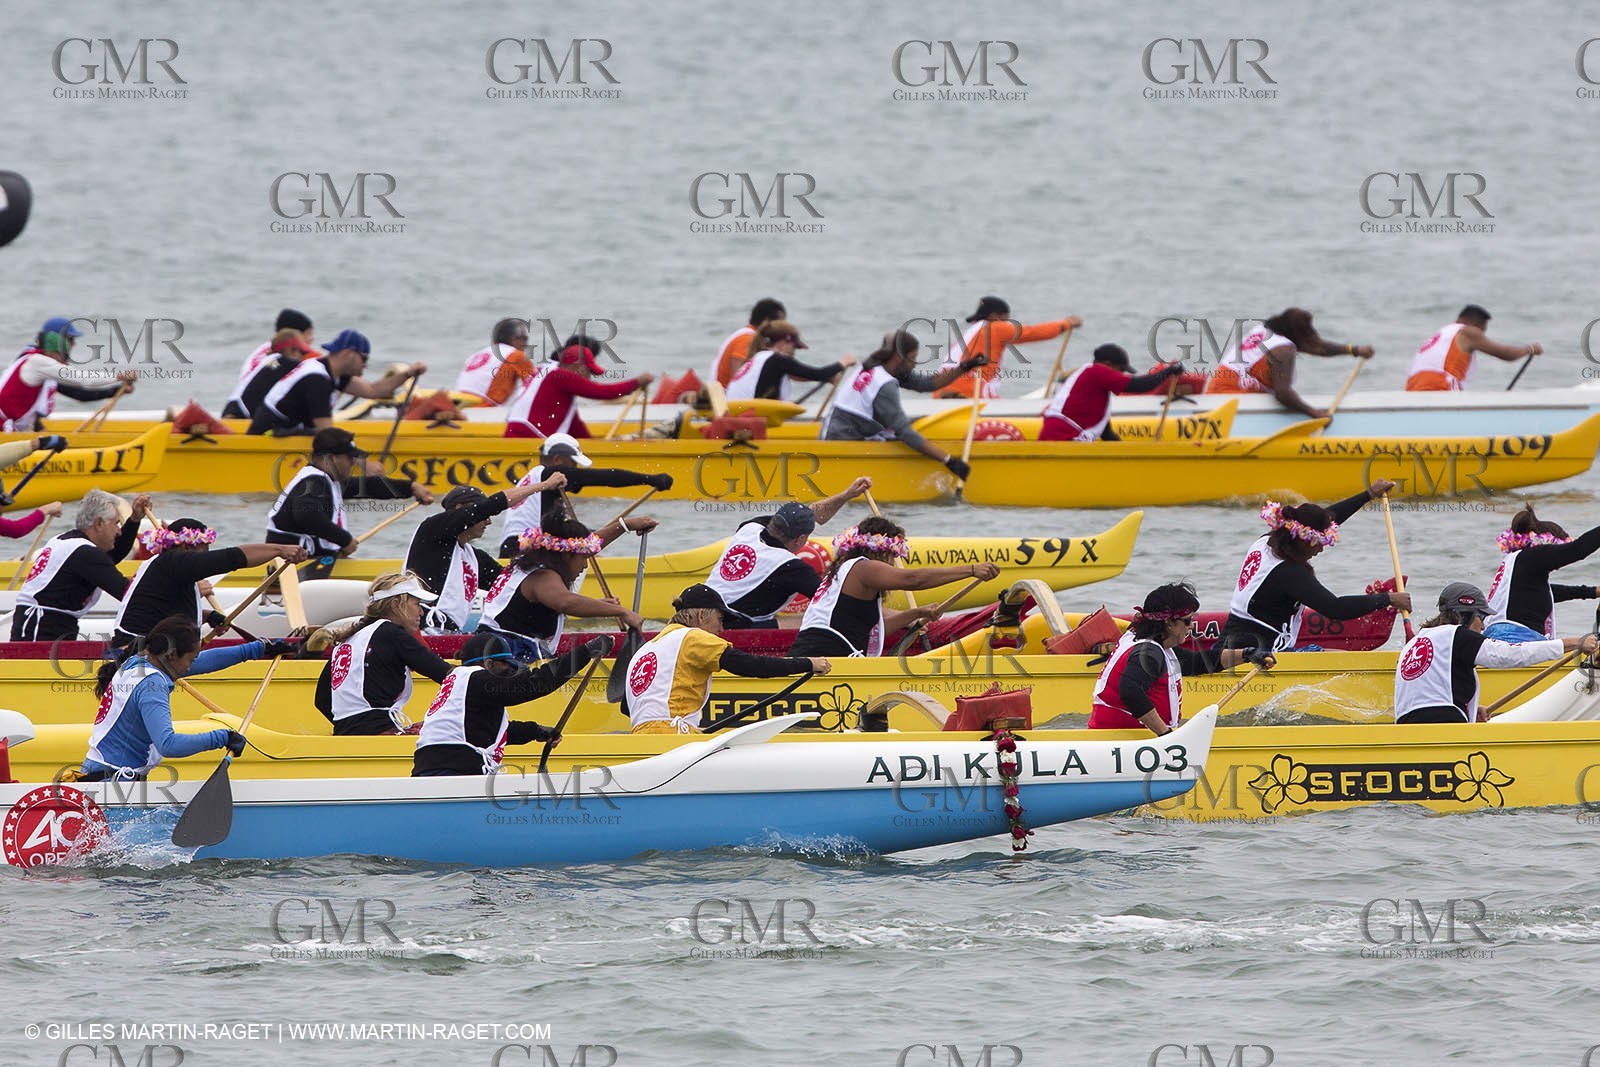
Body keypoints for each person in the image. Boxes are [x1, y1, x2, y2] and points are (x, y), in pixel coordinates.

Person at [78, 617, 295, 781]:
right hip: (114, 782)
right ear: (172, 654)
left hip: (99, 772)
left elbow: (208, 661)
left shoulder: (137, 661)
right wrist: (223, 737)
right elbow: (168, 745)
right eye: (190, 659)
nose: (191, 666)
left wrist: (259, 648)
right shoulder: (152, 686)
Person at [1218, 482, 1412, 653]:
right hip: (1258, 656)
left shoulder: (1268, 541)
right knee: (1344, 664)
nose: (1322, 548)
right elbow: (1336, 608)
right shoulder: (1289, 573)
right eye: (1320, 541)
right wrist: (1387, 599)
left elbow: (1329, 516)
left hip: (1228, 646)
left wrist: (1369, 494)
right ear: (1304, 539)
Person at [624, 584, 829, 734]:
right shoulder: (692, 637)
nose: (722, 629)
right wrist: (808, 663)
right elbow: (751, 665)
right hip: (670, 736)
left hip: (641, 737)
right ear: (701, 615)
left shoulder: (646, 649)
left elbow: (627, 707)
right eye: (720, 619)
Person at [789, 518, 1002, 657]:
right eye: (892, 555)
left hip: (818, 655)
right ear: (880, 550)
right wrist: (971, 569)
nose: (892, 563)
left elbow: (872, 631)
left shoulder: (840, 573)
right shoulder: (864, 568)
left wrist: (916, 614)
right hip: (823, 659)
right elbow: (914, 580)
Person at [412, 631, 613, 776]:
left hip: (433, 768)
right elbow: (535, 684)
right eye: (506, 666)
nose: (510, 672)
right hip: (452, 771)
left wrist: (536, 731)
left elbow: (484, 729)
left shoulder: (461, 683)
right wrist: (585, 652)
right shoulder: (477, 678)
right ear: (488, 664)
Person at [1394, 583, 1598, 724]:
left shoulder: (1416, 642)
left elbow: (1427, 693)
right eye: (1481, 617)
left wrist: (1472, 710)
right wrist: (1572, 643)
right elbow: (1508, 655)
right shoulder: (1457, 635)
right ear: (1463, 615)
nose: (1483, 626)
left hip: (1406, 726)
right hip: (1441, 724)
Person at [1088, 583, 1275, 735]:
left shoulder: (1149, 643)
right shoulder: (1149, 653)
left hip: (1120, 739)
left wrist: (1248, 654)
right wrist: (1166, 735)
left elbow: (1196, 662)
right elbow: (1130, 691)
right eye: (1187, 620)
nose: (1191, 626)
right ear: (1169, 623)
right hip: (1121, 744)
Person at [403, 474, 567, 634]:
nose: (489, 521)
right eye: (484, 515)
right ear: (460, 510)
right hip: (420, 628)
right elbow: (494, 504)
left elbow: (510, 585)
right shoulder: (431, 531)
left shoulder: (475, 558)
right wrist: (544, 485)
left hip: (449, 632)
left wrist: (547, 554)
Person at [480, 512, 654, 661]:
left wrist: (625, 526)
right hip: (506, 657)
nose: (585, 566)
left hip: (491, 647)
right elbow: (567, 602)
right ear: (565, 556)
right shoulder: (542, 576)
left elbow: (587, 545)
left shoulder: (528, 564)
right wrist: (622, 612)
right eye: (583, 558)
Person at [111, 520, 308, 647]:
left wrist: (206, 616)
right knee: (245, 652)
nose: (207, 556)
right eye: (204, 551)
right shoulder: (174, 562)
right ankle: (256, 649)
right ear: (186, 547)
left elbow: (161, 611)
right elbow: (232, 558)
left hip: (146, 651)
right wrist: (280, 550)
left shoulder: (165, 568)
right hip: (137, 658)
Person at [705, 478, 871, 628]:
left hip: (699, 607)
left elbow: (811, 514)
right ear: (800, 539)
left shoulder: (750, 527)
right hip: (726, 627)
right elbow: (835, 602)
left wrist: (847, 495)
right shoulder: (791, 567)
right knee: (813, 618)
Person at [822, 330, 985, 480]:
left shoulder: (877, 367)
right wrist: (948, 461)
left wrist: (965, 367)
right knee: (907, 432)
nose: (915, 363)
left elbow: (928, 384)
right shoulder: (884, 385)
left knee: (915, 424)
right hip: (844, 444)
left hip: (839, 432)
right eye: (913, 357)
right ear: (899, 357)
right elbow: (904, 432)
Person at [316, 572, 455, 735]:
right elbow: (443, 673)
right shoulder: (391, 633)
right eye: (417, 604)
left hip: (344, 733)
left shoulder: (347, 641)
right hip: (379, 732)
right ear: (396, 604)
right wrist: (476, 679)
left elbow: (322, 700)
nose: (421, 612)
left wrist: (353, 727)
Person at [265, 427, 433, 561]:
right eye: (349, 458)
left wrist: (411, 487)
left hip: (309, 562)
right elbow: (307, 516)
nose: (353, 463)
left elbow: (369, 486)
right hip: (287, 567)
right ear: (331, 458)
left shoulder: (327, 480)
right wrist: (345, 540)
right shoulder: (313, 482)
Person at [497, 433, 670, 557]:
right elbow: (604, 477)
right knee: (589, 547)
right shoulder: (549, 474)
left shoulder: (534, 479)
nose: (576, 470)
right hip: (522, 550)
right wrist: (649, 479)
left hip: (512, 548)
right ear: (557, 460)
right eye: (573, 464)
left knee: (589, 541)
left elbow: (558, 530)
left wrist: (594, 534)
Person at [13, 489, 148, 641]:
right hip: (40, 627)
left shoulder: (67, 541)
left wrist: (134, 520)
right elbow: (127, 594)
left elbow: (112, 556)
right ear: (99, 523)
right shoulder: (84, 552)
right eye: (116, 524)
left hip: (50, 624)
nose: (119, 531)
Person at [1203, 308, 1373, 419]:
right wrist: (1314, 413)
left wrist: (1353, 350)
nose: (1310, 341)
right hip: (1231, 406)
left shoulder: (1264, 331)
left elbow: (1318, 347)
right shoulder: (1283, 350)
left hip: (1215, 396)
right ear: (1297, 335)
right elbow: (1283, 393)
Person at [248, 329, 425, 434]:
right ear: (349, 354)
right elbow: (327, 433)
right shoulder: (316, 378)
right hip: (267, 439)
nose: (365, 365)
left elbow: (373, 390)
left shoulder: (331, 372)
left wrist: (408, 373)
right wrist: (362, 462)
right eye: (364, 358)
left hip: (281, 433)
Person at [1483, 505, 1600, 642]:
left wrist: (1593, 592)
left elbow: (1544, 593)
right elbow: (1577, 550)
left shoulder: (1516, 561)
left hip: (1496, 638)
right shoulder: (1536, 554)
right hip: (1515, 638)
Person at [1, 317, 136, 431]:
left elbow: (79, 394)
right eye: (71, 340)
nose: (74, 345)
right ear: (56, 342)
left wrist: (117, 390)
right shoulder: (37, 363)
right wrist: (120, 376)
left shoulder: (44, 368)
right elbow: (83, 379)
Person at [504, 337, 655, 438]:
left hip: (517, 433)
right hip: (527, 436)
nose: (589, 378)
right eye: (589, 372)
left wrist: (592, 446)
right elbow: (603, 392)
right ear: (578, 367)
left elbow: (575, 426)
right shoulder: (561, 376)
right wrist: (636, 382)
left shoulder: (546, 372)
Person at [932, 296, 1080, 400]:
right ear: (996, 316)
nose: (1008, 323)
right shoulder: (995, 327)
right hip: (965, 394)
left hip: (941, 392)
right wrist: (1066, 324)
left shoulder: (972, 332)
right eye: (1007, 318)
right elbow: (1032, 332)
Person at [1040, 344, 1187, 441]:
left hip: (1060, 437)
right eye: (1121, 370)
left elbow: (1106, 433)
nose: (1122, 374)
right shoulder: (1097, 371)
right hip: (1062, 438)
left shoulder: (1091, 383)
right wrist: (1167, 372)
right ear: (1108, 365)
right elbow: (1139, 386)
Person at [1406, 305, 1542, 391]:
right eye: (1483, 330)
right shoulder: (1468, 332)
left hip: (1412, 385)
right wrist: (1530, 349)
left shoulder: (1443, 332)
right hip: (1440, 383)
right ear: (1477, 325)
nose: (1482, 335)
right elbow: (1506, 354)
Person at [725, 320, 855, 402]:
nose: (793, 353)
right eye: (794, 347)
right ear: (783, 342)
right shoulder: (777, 359)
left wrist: (827, 378)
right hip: (749, 419)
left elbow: (800, 375)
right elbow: (817, 373)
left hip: (735, 413)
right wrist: (843, 363)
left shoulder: (757, 358)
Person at [222, 308, 314, 418]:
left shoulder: (265, 352)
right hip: (246, 412)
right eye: (308, 333)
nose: (311, 339)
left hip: (234, 405)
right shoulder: (284, 359)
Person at [454, 317, 539, 406]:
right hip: (482, 407)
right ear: (515, 339)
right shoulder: (516, 355)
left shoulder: (476, 355)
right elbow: (536, 387)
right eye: (525, 339)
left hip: (456, 404)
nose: (526, 345)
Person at [708, 297, 786, 387]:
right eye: (781, 324)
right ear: (766, 322)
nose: (784, 328)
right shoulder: (747, 339)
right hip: (723, 394)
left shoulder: (747, 334)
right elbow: (740, 380)